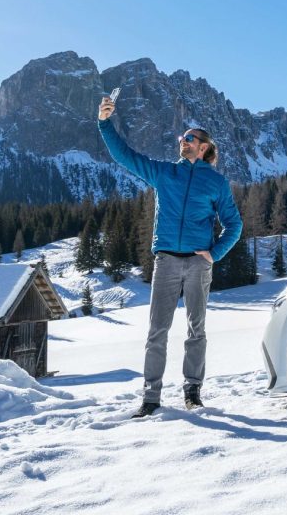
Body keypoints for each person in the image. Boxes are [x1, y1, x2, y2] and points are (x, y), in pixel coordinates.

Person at [98, 94, 243, 418]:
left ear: (203, 147)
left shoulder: (216, 182)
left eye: (189, 138)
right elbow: (125, 156)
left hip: (197, 263)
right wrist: (105, 123)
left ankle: (192, 392)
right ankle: (150, 398)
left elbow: (234, 224)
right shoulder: (165, 173)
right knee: (157, 331)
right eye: (182, 137)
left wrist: (214, 254)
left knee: (196, 330)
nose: (183, 141)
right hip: (165, 260)